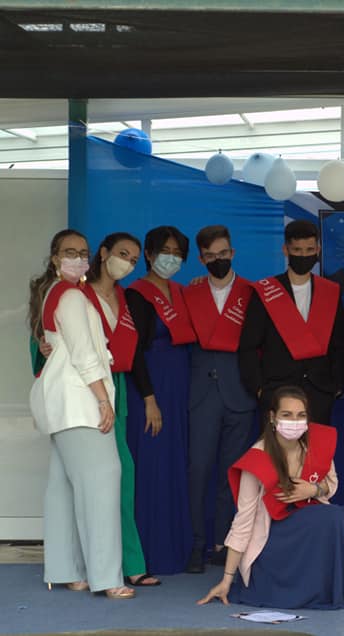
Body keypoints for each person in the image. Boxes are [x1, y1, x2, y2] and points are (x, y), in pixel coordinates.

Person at [197, 386, 344, 609]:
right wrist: (227, 579)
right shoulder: (258, 457)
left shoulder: (316, 444)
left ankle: (326, 579)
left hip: (315, 520)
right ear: (272, 417)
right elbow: (243, 521)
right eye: (287, 415)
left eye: (301, 415)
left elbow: (331, 485)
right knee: (331, 518)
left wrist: (313, 490)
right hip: (275, 537)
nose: (295, 421)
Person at [28, 229, 134, 599]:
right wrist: (103, 401)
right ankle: (107, 577)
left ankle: (66, 570)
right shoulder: (71, 296)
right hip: (80, 401)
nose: (78, 258)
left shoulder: (55, 293)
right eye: (69, 252)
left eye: (83, 252)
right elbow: (85, 354)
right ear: (55, 258)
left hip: (62, 403)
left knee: (62, 487)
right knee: (103, 480)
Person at [82, 232, 159, 588]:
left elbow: (136, 353)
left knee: (122, 474)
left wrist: (148, 396)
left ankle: (131, 562)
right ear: (103, 253)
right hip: (84, 391)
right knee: (90, 481)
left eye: (133, 259)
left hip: (119, 391)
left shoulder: (129, 299)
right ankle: (88, 564)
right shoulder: (78, 294)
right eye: (122, 254)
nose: (127, 262)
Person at [182, 225, 258, 573]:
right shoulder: (190, 293)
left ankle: (223, 544)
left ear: (233, 253)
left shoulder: (252, 292)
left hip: (239, 394)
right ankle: (196, 543)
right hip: (202, 394)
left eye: (224, 253)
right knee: (198, 470)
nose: (219, 260)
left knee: (233, 475)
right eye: (211, 256)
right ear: (201, 259)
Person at [126, 225, 195, 575]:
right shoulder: (137, 294)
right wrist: (149, 398)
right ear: (149, 255)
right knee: (151, 468)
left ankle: (176, 549)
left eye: (178, 253)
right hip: (150, 390)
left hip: (180, 389)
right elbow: (134, 351)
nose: (172, 258)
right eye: (165, 251)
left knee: (175, 466)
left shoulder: (182, 292)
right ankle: (146, 554)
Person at [239, 220, 344, 423]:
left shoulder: (331, 291)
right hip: (276, 392)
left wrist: (336, 386)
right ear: (285, 250)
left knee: (316, 444)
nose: (303, 255)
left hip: (320, 392)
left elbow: (338, 344)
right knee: (276, 445)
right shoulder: (265, 292)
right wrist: (260, 389)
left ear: (318, 250)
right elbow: (248, 346)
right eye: (297, 250)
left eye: (309, 250)